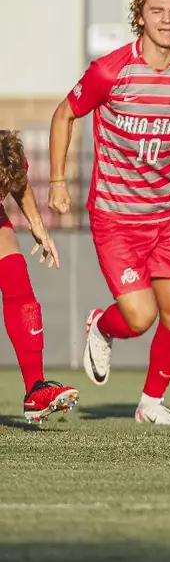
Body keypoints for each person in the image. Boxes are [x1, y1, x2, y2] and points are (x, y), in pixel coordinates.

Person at [49, 0, 170, 426]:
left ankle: (150, 402)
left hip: (167, 216)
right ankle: (102, 325)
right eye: (157, 11)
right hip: (115, 217)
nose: (166, 20)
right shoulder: (111, 70)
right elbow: (64, 114)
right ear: (141, 16)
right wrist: (56, 180)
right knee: (140, 316)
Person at [0, 130, 76, 425]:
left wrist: (37, 225)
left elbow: (20, 185)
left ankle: (35, 389)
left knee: (19, 284)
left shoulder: (9, 158)